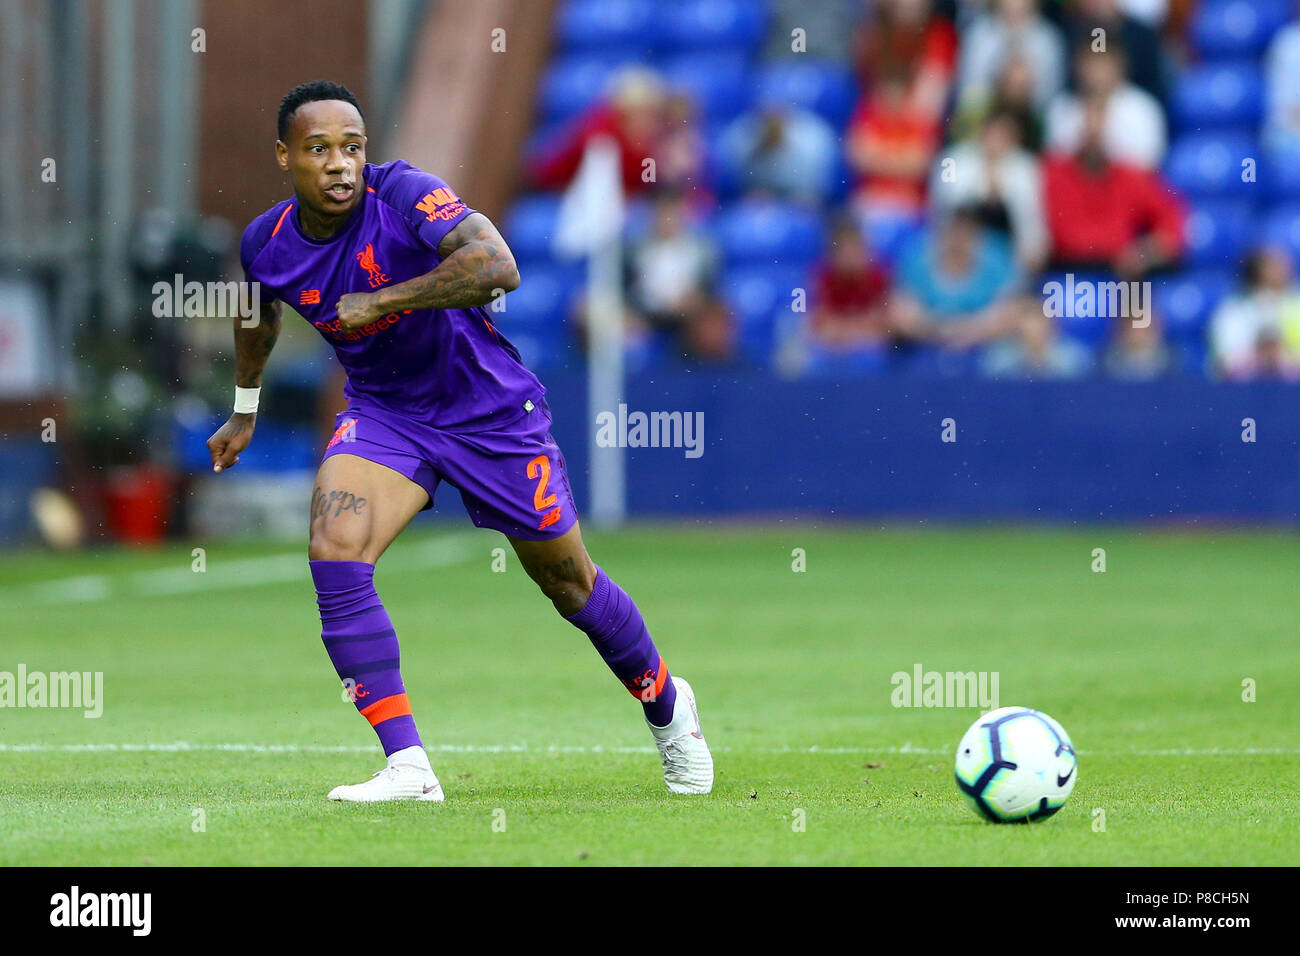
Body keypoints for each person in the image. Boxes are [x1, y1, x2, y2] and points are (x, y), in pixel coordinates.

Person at [206, 81, 713, 802]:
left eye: (352, 147)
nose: (341, 164)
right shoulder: (265, 241)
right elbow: (256, 318)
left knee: (568, 583)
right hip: (387, 415)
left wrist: (383, 299)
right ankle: (408, 765)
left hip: (490, 414)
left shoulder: (407, 193)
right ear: (285, 156)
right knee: (334, 543)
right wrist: (244, 408)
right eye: (319, 150)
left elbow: (497, 267)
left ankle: (668, 706)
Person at [1209, 246, 1300, 380]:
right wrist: (1260, 356)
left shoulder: (1296, 305)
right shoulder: (1234, 310)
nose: (1282, 268)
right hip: (1243, 391)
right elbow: (1225, 361)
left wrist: (1282, 358)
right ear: (1257, 270)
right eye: (1274, 264)